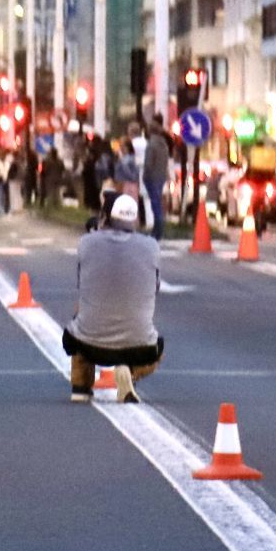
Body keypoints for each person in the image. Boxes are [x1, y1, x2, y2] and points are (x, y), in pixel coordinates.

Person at [64, 195, 164, 402]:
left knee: (80, 314)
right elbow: (155, 288)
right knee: (157, 349)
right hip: (139, 347)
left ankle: (80, 385)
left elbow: (81, 284)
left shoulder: (87, 242)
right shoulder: (151, 246)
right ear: (136, 220)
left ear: (106, 218)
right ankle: (130, 372)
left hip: (89, 344)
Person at [143, 116, 172, 241]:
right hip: (161, 176)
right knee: (157, 202)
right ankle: (158, 229)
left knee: (155, 204)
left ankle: (158, 230)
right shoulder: (164, 144)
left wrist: (145, 176)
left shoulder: (151, 144)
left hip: (152, 177)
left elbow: (148, 164)